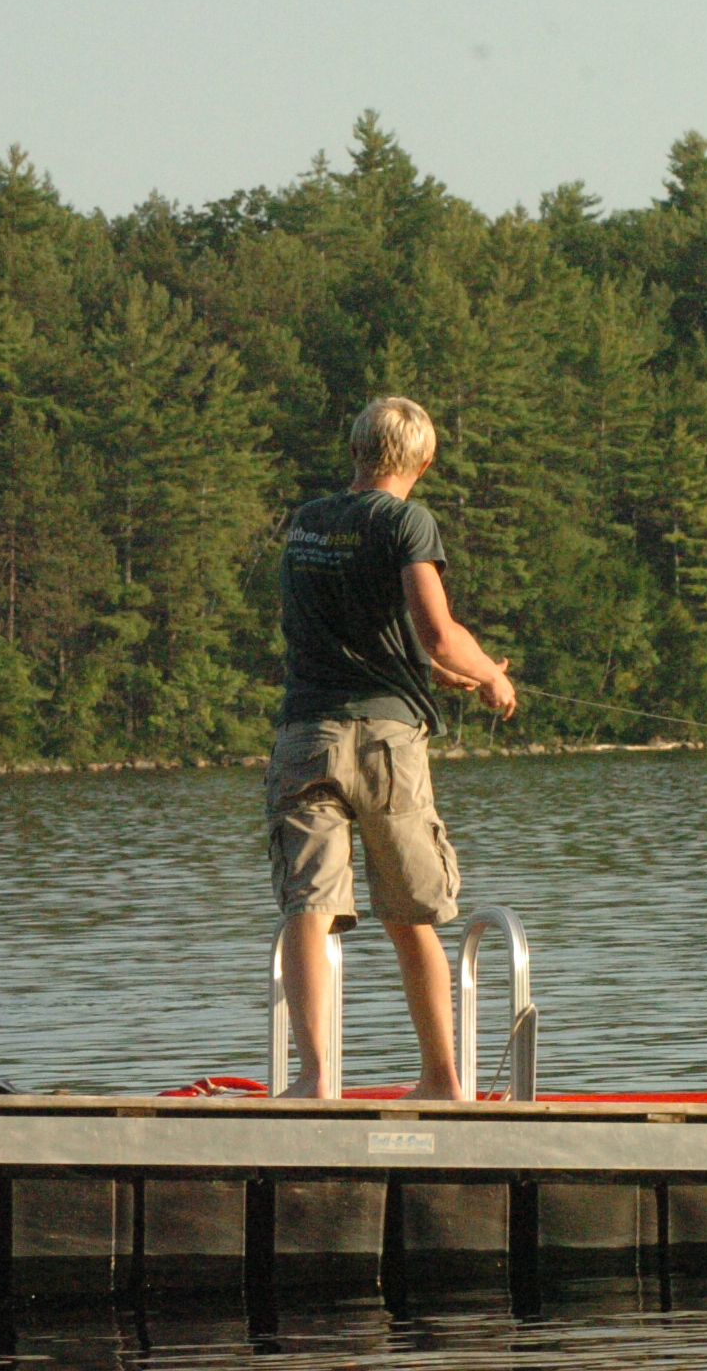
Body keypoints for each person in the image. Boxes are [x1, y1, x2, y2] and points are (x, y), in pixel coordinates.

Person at [267, 396, 515, 1100]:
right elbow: (437, 633)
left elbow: (348, 634)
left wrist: (432, 670)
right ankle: (441, 1079)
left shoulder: (308, 522)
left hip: (307, 735)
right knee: (411, 916)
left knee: (308, 907)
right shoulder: (408, 521)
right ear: (425, 462)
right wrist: (490, 676)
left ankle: (314, 1079)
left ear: (355, 451)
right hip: (386, 742)